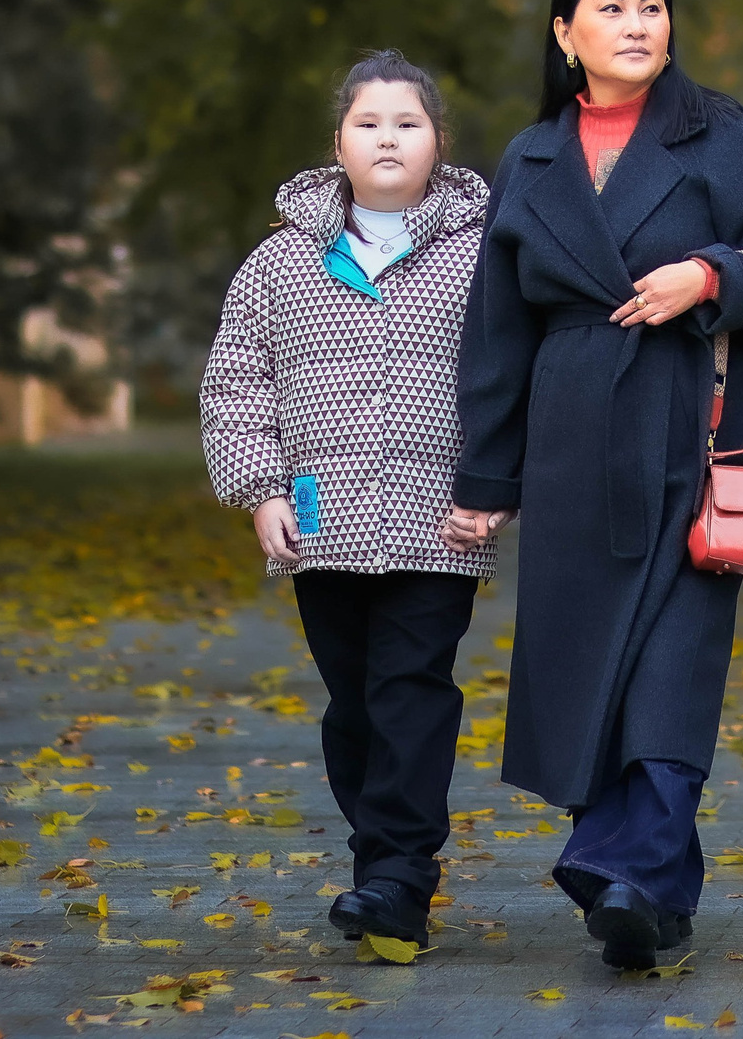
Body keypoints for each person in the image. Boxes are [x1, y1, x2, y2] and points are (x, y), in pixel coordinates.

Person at [441, 0, 743, 969]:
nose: (636, 25)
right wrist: (487, 478)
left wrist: (706, 278)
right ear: (566, 34)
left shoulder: (717, 135)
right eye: (610, 8)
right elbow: (497, 333)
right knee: (587, 661)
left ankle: (625, 865)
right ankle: (648, 889)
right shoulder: (529, 160)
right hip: (573, 436)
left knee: (675, 653)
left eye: (651, 6)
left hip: (693, 418)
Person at [200, 50, 495, 949]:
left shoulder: (484, 256)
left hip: (439, 517)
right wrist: (260, 490)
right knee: (354, 702)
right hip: (321, 521)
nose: (388, 138)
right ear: (338, 142)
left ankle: (400, 875)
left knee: (411, 686)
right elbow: (236, 383)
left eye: (407, 122)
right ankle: (381, 866)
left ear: (438, 142)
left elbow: (512, 380)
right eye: (368, 123)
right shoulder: (279, 261)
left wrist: (495, 487)